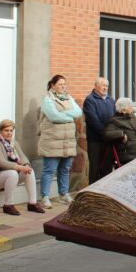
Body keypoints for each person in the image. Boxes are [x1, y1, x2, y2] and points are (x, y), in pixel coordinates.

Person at [0, 119, 46, 215]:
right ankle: (8, 205)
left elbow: (22, 156)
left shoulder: (13, 142)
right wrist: (19, 167)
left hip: (6, 174)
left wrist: (26, 165)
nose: (9, 133)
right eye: (6, 130)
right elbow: (0, 163)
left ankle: (32, 203)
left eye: (11, 130)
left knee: (29, 171)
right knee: (13, 173)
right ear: (0, 131)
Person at [38, 75, 82, 208]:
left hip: (67, 141)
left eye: (64, 84)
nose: (63, 86)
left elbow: (78, 112)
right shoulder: (48, 99)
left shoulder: (69, 98)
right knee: (49, 170)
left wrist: (64, 115)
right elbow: (54, 116)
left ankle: (63, 194)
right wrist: (69, 117)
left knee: (65, 169)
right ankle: (44, 197)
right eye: (60, 84)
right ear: (53, 85)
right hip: (52, 142)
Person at [82, 77, 116, 184]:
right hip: (95, 141)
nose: (105, 88)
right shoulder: (90, 100)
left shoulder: (111, 100)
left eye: (106, 86)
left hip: (108, 140)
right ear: (96, 86)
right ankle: (93, 190)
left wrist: (112, 133)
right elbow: (93, 120)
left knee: (107, 167)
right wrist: (106, 133)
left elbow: (115, 118)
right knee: (95, 168)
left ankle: (104, 189)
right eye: (103, 85)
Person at [103, 98, 136, 166]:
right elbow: (107, 134)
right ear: (123, 110)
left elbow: (134, 130)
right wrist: (121, 134)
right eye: (129, 107)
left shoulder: (132, 116)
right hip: (128, 157)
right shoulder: (115, 120)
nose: (132, 108)